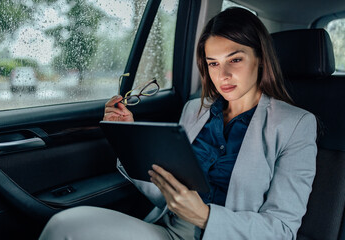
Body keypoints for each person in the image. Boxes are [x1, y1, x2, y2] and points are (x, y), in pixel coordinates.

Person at [39, 7, 317, 240]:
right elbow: (164, 190)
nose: (225, 75)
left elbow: (282, 230)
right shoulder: (195, 110)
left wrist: (205, 216)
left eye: (235, 59)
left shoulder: (296, 124)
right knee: (65, 225)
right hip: (171, 231)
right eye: (213, 63)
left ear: (260, 59)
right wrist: (128, 136)